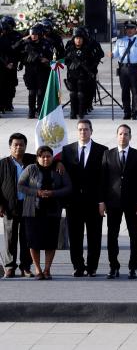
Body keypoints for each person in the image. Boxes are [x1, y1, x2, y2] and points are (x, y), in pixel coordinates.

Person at [100, 124, 137, 279]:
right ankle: (113, 266)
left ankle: (133, 267)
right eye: (120, 134)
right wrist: (101, 201)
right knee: (112, 236)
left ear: (130, 136)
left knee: (135, 236)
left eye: (126, 134)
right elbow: (103, 179)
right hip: (113, 203)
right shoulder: (107, 154)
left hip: (133, 203)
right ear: (117, 136)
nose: (123, 136)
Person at [61, 120, 108, 277]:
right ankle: (78, 266)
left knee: (94, 236)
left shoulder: (102, 150)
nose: (83, 132)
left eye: (86, 129)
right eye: (80, 129)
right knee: (75, 236)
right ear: (77, 131)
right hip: (73, 202)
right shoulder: (67, 150)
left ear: (91, 131)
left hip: (94, 202)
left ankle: (92, 266)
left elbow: (103, 179)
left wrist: (102, 201)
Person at [17, 146, 71, 280]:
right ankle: (38, 269)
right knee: (34, 242)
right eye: (43, 156)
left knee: (50, 242)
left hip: (53, 211)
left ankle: (47, 270)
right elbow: (20, 185)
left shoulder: (59, 169)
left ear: (52, 157)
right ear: (38, 158)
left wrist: (53, 193)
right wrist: (37, 192)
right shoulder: (31, 169)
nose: (46, 159)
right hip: (32, 212)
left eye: (48, 156)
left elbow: (68, 187)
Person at [0, 133, 36, 277]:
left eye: (21, 145)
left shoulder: (32, 160)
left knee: (27, 237)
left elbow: (48, 157)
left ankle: (25, 267)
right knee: (10, 237)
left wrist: (58, 163)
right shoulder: (3, 164)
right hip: (10, 206)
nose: (18, 147)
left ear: (25, 146)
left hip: (28, 205)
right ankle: (9, 266)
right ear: (10, 146)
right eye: (15, 145)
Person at [15, 25, 54, 119]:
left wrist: (46, 60)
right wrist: (22, 40)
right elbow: (14, 48)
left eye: (36, 34)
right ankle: (31, 111)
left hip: (42, 71)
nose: (33, 36)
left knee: (41, 92)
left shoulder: (45, 43)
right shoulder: (26, 43)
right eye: (32, 34)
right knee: (32, 92)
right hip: (30, 70)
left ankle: (40, 110)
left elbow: (51, 56)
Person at [64, 28, 102, 120]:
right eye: (76, 38)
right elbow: (65, 60)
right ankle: (73, 112)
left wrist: (88, 67)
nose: (78, 40)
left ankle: (81, 112)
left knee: (81, 94)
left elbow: (94, 60)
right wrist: (70, 64)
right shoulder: (69, 48)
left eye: (80, 38)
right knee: (73, 94)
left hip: (84, 76)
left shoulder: (87, 49)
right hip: (72, 75)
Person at [111, 21, 137, 120]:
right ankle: (126, 111)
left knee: (135, 91)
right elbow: (116, 53)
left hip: (135, 68)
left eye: (132, 29)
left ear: (135, 30)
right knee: (125, 91)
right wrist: (112, 55)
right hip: (123, 68)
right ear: (125, 30)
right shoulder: (120, 41)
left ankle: (135, 112)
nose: (130, 31)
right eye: (128, 29)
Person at [0, 15, 22, 113]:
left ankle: (9, 103)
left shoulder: (17, 35)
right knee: (2, 85)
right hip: (2, 64)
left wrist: (21, 62)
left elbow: (22, 50)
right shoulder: (1, 36)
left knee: (12, 84)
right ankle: (3, 104)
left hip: (13, 63)